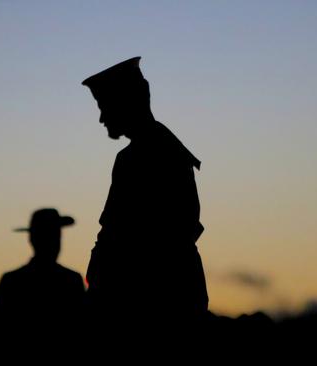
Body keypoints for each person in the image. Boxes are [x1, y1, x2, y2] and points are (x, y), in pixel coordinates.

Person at [81, 57, 208, 323]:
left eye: (105, 106)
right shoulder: (166, 149)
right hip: (166, 296)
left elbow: (119, 235)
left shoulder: (136, 158)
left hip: (148, 304)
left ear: (124, 102)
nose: (102, 118)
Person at [0, 208, 85, 319]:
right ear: (34, 239)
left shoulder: (11, 280)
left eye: (57, 236)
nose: (56, 242)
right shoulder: (71, 280)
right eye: (51, 236)